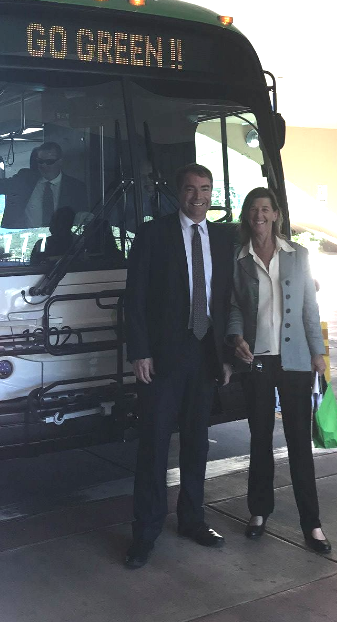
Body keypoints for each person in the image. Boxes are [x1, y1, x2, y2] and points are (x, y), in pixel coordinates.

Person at [123, 163, 235, 569]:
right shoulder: (153, 234)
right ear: (178, 192)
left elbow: (226, 300)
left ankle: (193, 519)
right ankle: (145, 533)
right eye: (190, 189)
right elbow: (134, 297)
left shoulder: (223, 238)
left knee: (196, 443)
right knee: (154, 445)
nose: (198, 197)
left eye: (205, 189)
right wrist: (140, 351)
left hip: (205, 355)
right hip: (161, 358)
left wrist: (226, 356)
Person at [226, 187, 331, 554]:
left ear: (275, 215)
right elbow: (234, 306)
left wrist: (317, 353)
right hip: (256, 359)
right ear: (247, 215)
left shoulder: (297, 255)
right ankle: (259, 512)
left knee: (299, 441)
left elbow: (309, 307)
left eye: (265, 209)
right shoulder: (238, 258)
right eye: (253, 209)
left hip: (295, 360)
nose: (260, 215)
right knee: (259, 439)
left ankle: (312, 522)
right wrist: (236, 336)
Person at [0, 142, 86, 229]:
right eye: (40, 161)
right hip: (26, 241)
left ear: (60, 162)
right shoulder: (24, 179)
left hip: (63, 245)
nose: (44, 166)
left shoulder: (75, 187)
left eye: (49, 162)